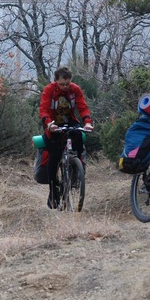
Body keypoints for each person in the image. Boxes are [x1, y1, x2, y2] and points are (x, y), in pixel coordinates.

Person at [39, 66, 94, 209]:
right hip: (52, 123)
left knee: (79, 138)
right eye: (61, 84)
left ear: (71, 81)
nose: (64, 87)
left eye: (67, 84)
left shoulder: (75, 90)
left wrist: (87, 122)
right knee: (54, 156)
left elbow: (82, 106)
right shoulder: (49, 90)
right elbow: (44, 109)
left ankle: (76, 170)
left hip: (69, 121)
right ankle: (53, 190)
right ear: (56, 81)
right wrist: (48, 124)